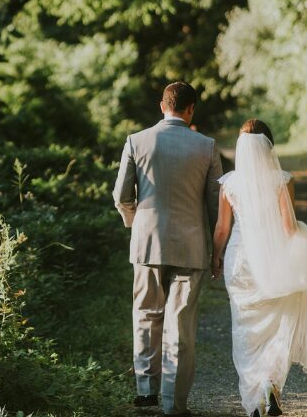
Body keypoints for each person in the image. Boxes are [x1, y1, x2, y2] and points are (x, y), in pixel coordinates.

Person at [211, 119, 307, 417]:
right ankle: (270, 384)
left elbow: (222, 228)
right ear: (269, 146)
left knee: (245, 328)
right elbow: (288, 227)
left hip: (240, 261)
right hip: (273, 260)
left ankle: (254, 399)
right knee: (278, 325)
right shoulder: (282, 180)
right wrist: (305, 244)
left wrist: (215, 257)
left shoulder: (230, 183)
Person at [113, 82, 223, 416]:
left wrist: (136, 223)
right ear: (191, 109)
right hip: (191, 247)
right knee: (181, 323)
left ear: (162, 105)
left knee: (146, 315)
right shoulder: (207, 147)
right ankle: (174, 403)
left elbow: (121, 196)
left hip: (147, 242)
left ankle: (146, 394)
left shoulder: (136, 141)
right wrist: (217, 251)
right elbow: (216, 207)